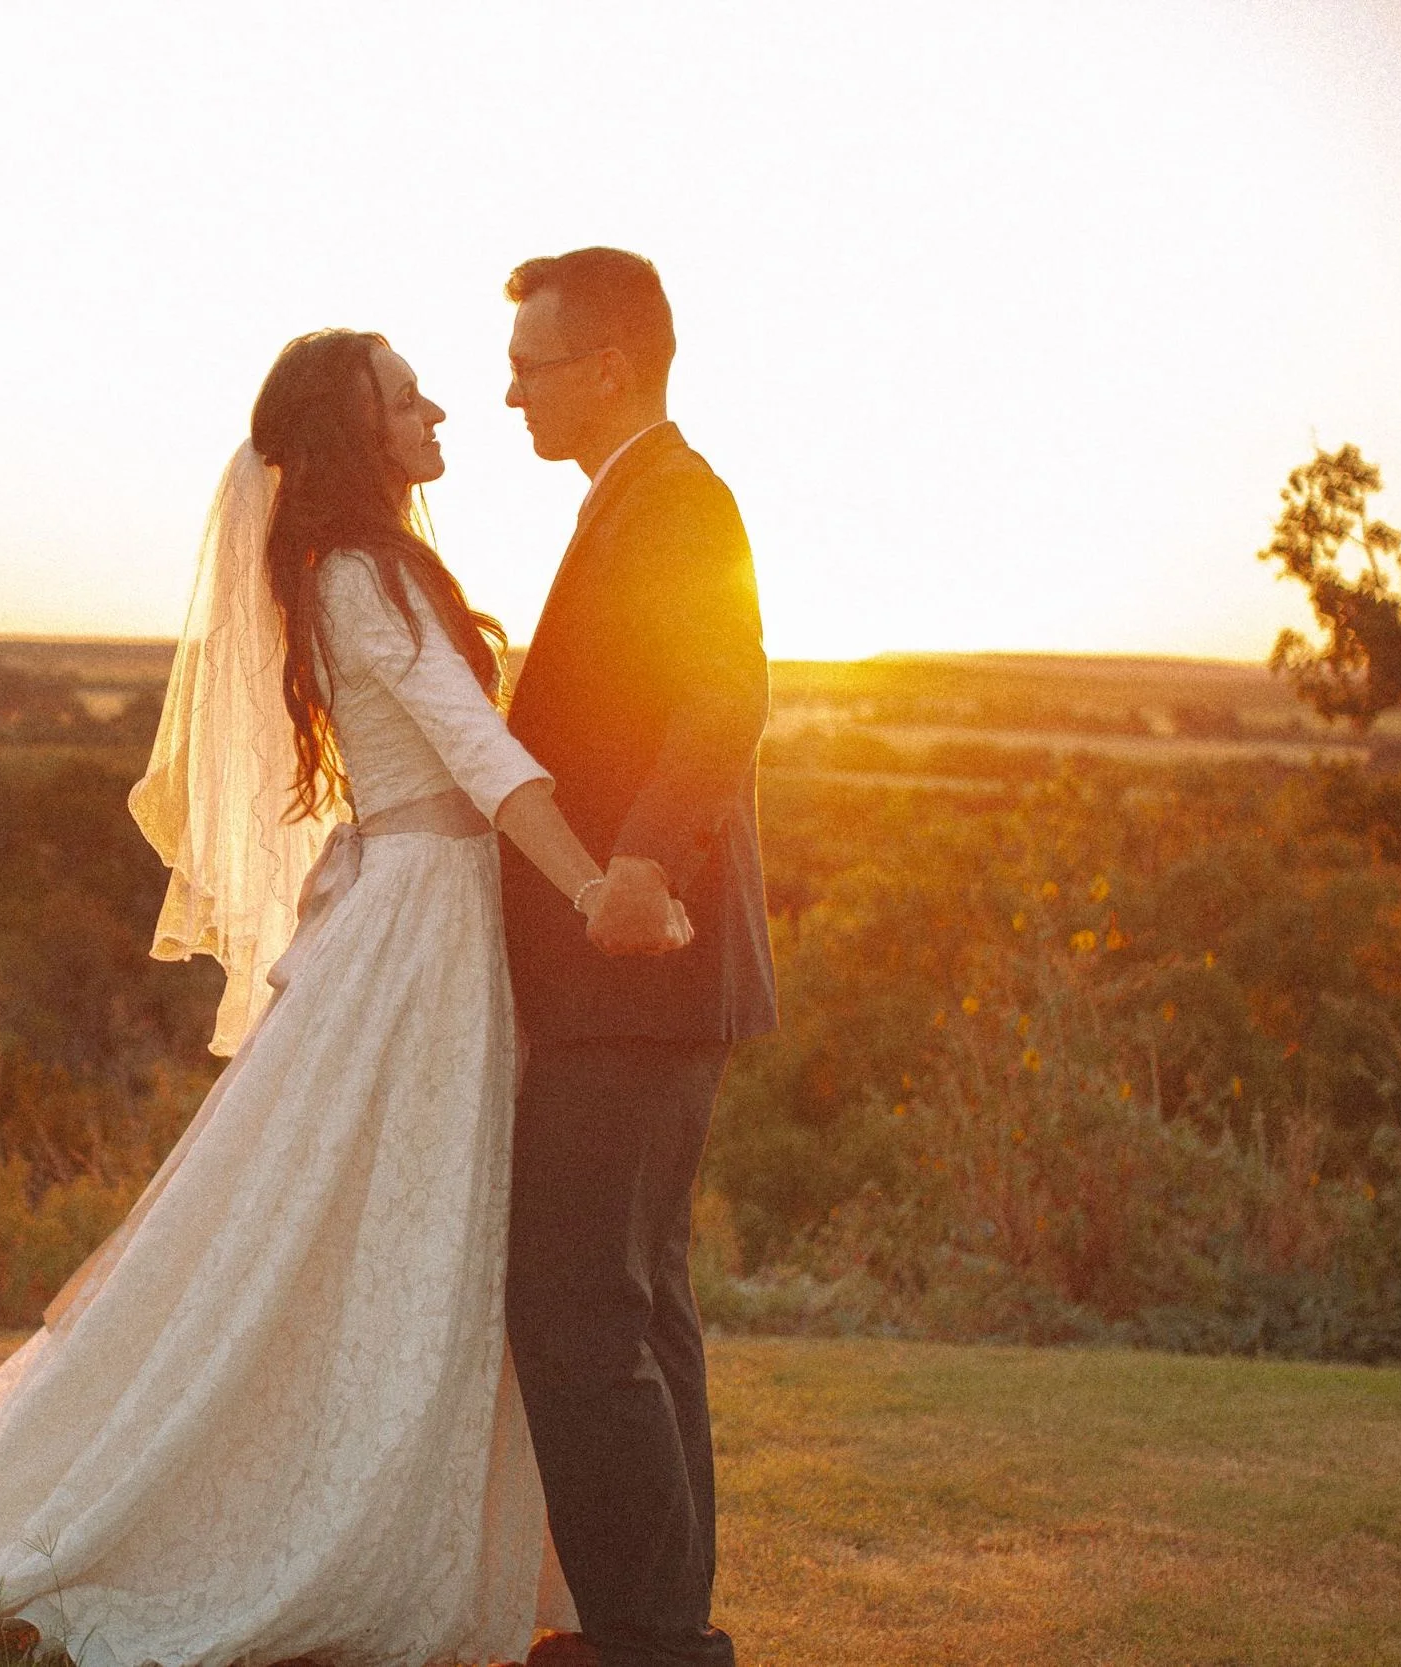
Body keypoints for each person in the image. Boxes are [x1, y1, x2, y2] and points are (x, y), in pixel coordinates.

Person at [0, 327, 681, 1667]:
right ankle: (298, 1524)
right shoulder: (361, 574)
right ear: (356, 437)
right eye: (404, 398)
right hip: (423, 935)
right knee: (390, 1226)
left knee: (411, 1230)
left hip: (432, 920)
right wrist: (597, 888)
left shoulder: (363, 568)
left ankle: (424, 1521)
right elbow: (481, 756)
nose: (438, 411)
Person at [497, 248, 777, 1667]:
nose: (509, 393)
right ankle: (661, 1631)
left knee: (570, 1294)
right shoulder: (639, 500)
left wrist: (642, 864)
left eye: (531, 366)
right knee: (639, 1296)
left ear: (610, 364)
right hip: (653, 973)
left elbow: (723, 692)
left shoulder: (677, 499)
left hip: (638, 964)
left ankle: (652, 1640)